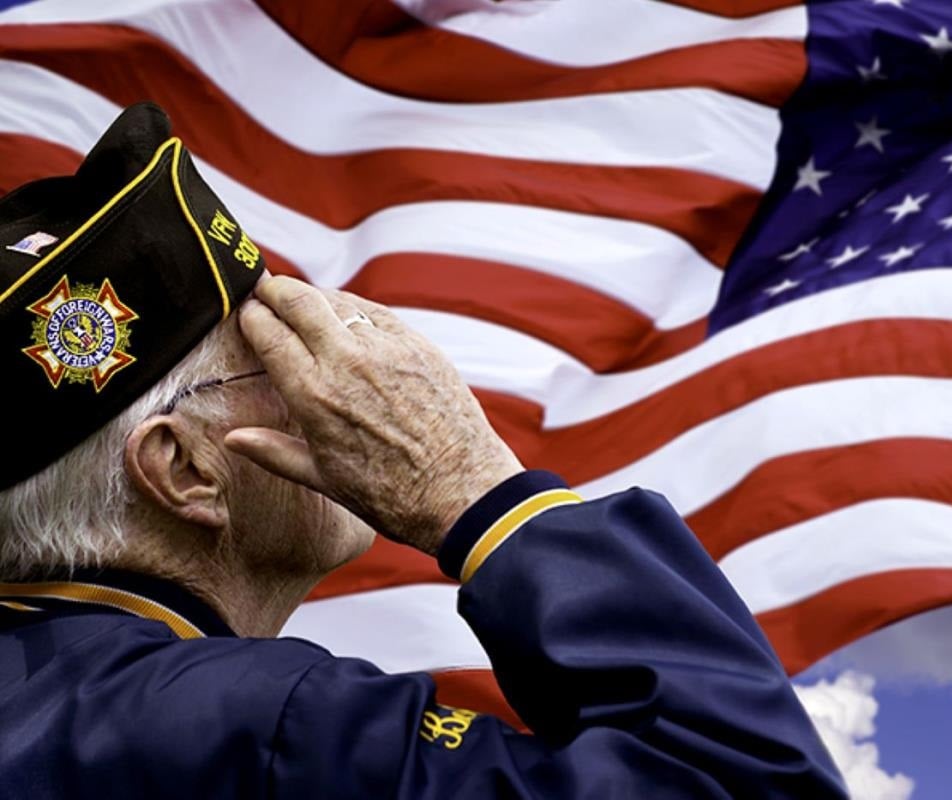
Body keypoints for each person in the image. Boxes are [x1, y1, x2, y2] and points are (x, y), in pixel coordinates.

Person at [0, 103, 847, 798]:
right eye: (277, 353)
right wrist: (473, 490)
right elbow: (742, 783)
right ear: (186, 470)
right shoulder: (253, 727)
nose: (349, 374)